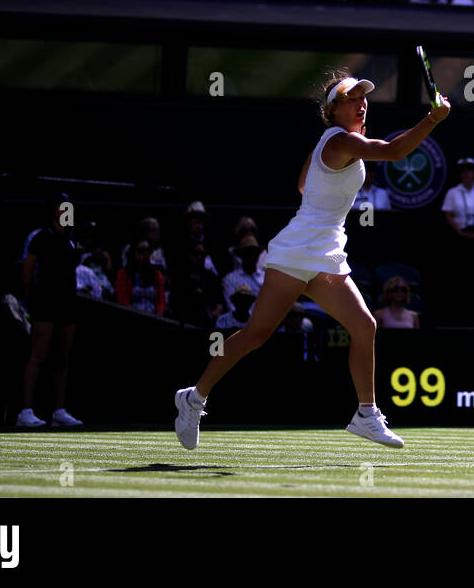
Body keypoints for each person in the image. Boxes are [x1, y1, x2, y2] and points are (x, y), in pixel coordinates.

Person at [174, 73, 452, 450]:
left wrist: (327, 194)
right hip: (297, 250)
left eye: (363, 97)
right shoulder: (341, 140)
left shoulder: (334, 143)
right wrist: (432, 119)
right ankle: (193, 399)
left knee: (365, 326)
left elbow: (304, 184)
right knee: (255, 335)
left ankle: (366, 415)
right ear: (332, 109)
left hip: (327, 252)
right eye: (352, 98)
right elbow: (392, 152)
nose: (361, 102)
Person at [18, 194, 85, 428]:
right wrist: (31, 301)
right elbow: (28, 271)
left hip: (67, 305)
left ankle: (58, 411)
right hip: (44, 305)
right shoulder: (40, 238)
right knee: (38, 356)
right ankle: (25, 411)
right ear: (55, 211)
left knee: (62, 359)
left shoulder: (71, 239)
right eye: (63, 207)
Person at [114, 239, 167, 317]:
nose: (145, 254)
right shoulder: (123, 274)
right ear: (134, 253)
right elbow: (123, 300)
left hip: (154, 318)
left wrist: (158, 315)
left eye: (148, 251)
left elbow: (161, 301)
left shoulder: (157, 275)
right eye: (141, 251)